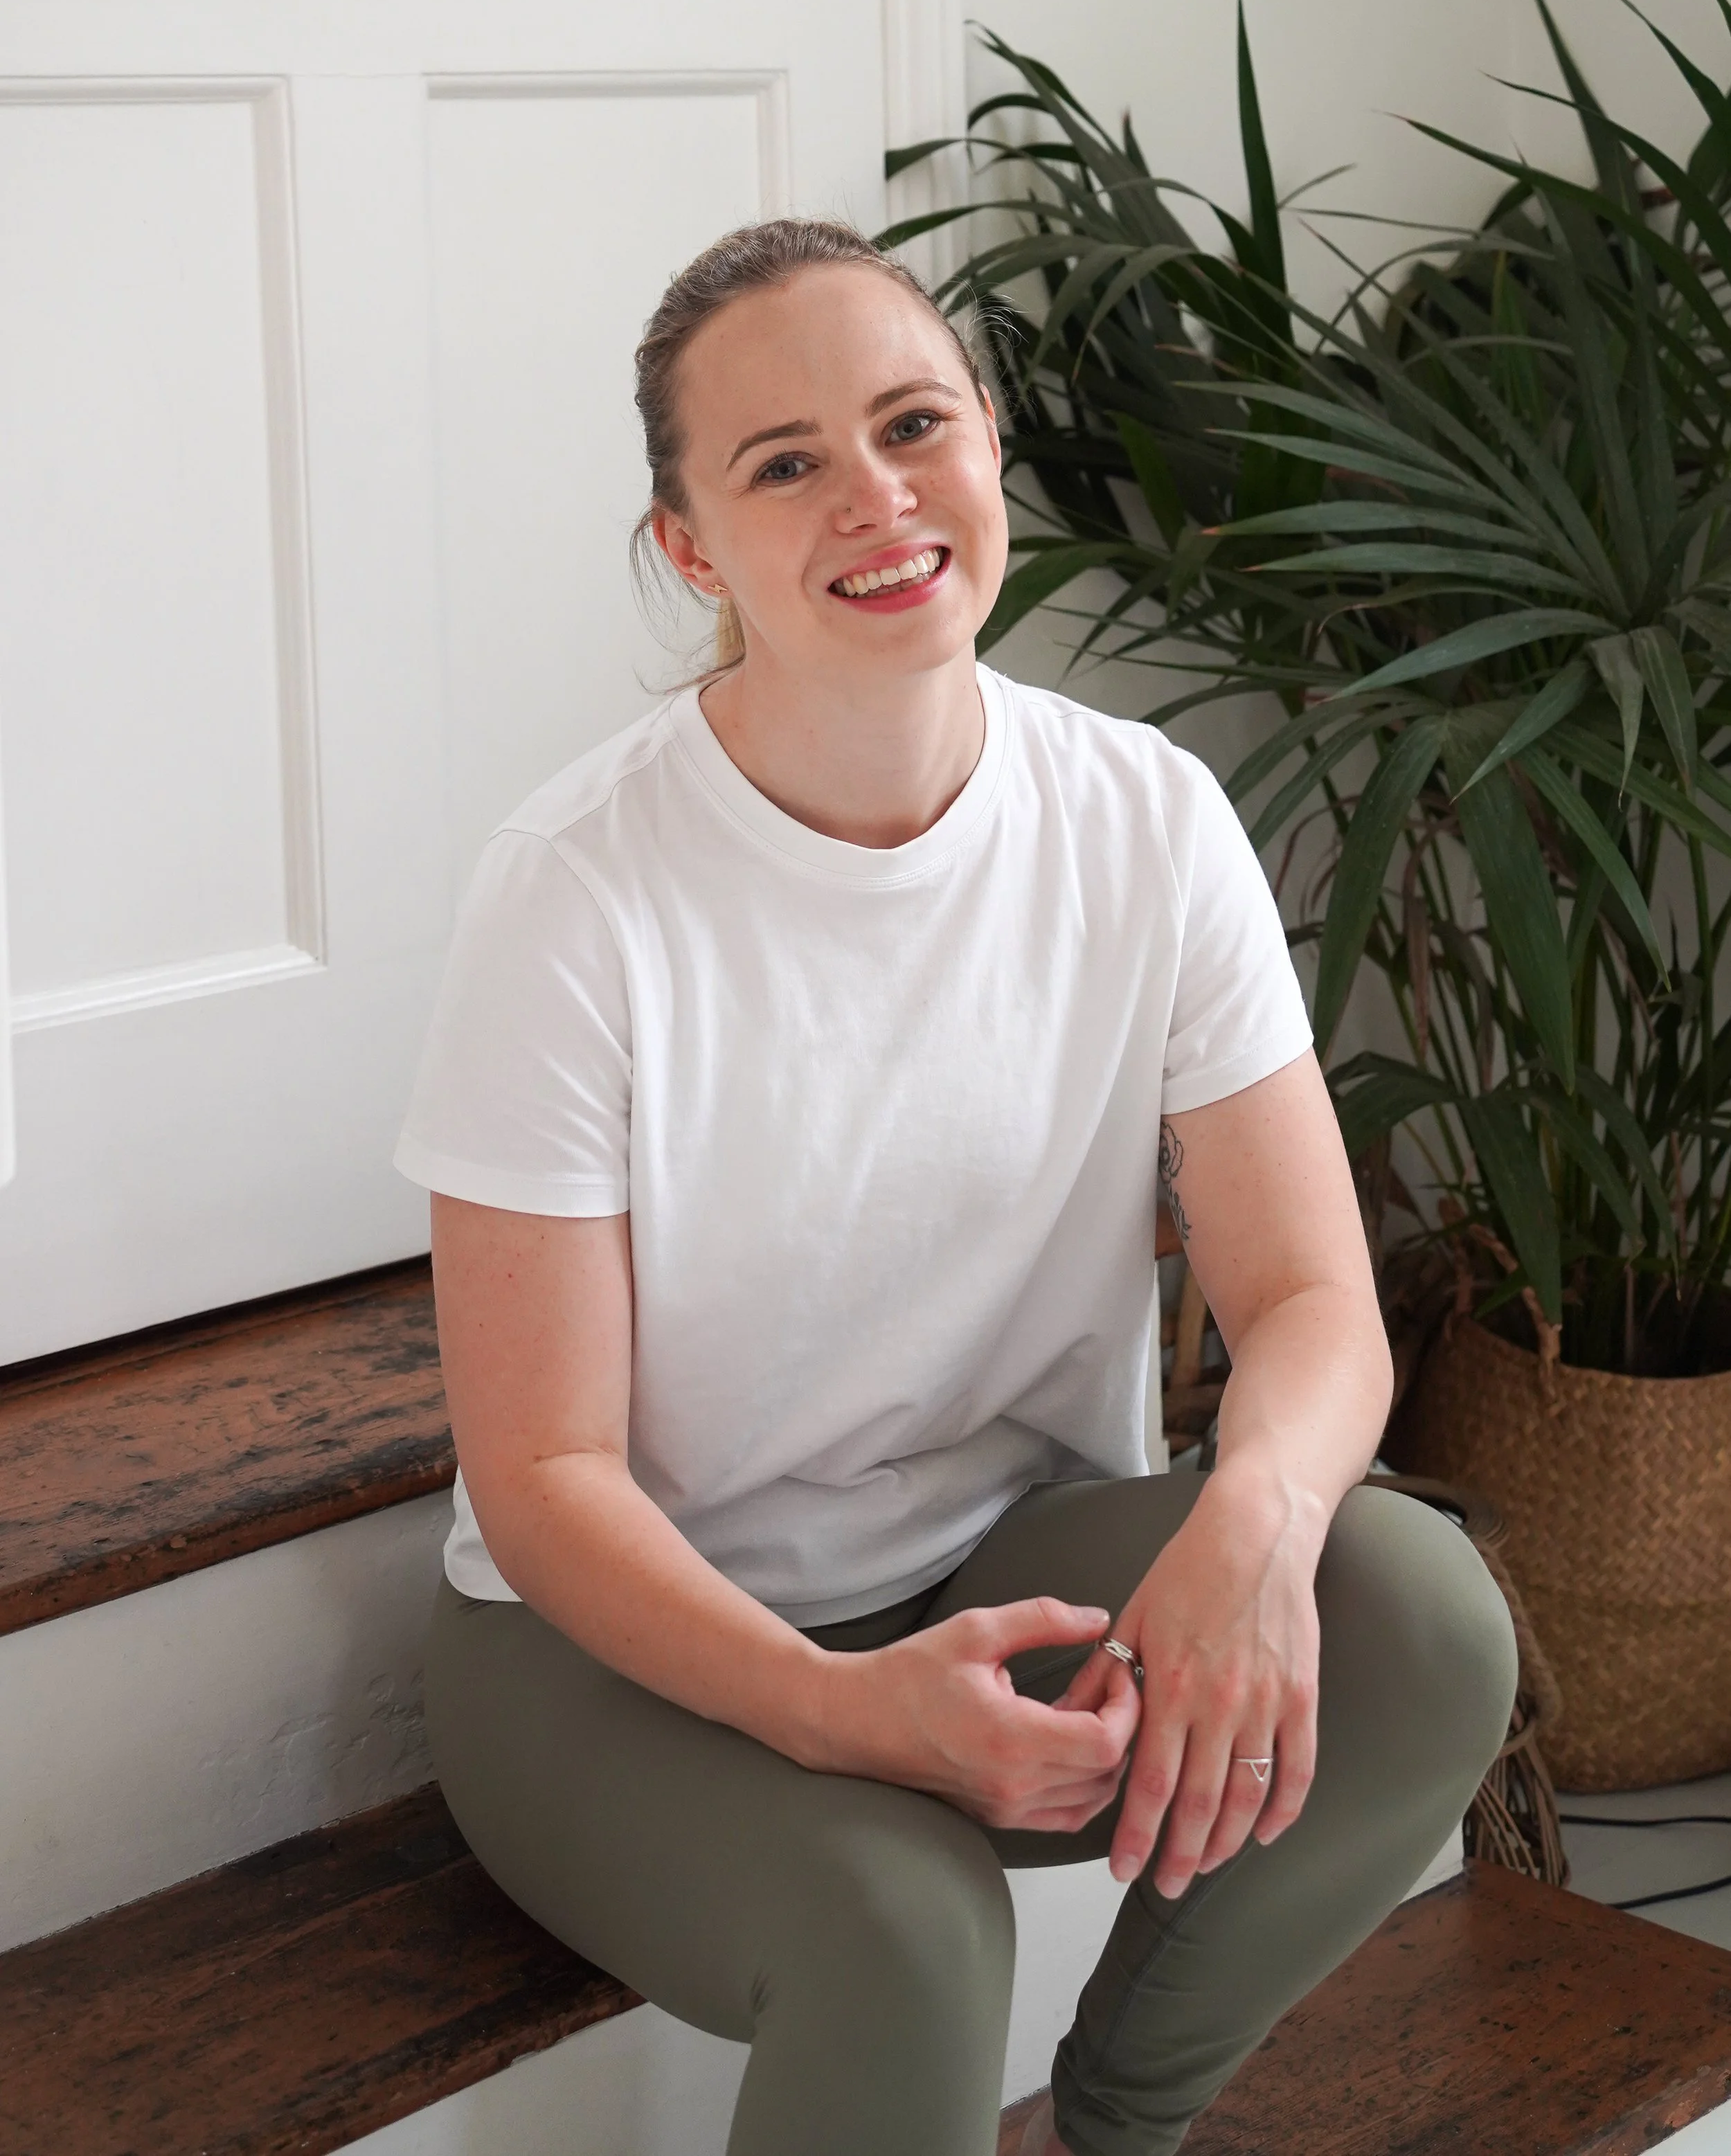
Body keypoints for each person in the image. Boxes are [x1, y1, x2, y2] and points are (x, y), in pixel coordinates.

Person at [397, 219, 1516, 2156]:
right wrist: (843, 1711)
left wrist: (1252, 1523)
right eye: (784, 464)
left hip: (996, 1561)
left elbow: (1311, 1302)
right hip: (615, 1650)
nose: (875, 493)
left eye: (914, 423)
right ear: (690, 549)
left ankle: (1101, 2133)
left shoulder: (1144, 818)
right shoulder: (576, 891)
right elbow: (545, 1473)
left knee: (1418, 1617)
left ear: (988, 442)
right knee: (909, 1931)